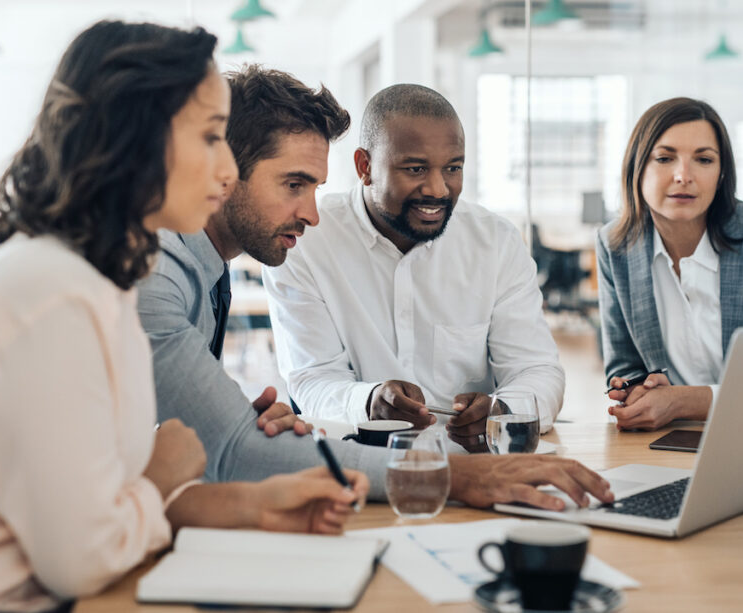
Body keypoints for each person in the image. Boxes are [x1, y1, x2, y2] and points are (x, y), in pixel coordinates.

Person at [0, 22, 366, 613]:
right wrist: (162, 471)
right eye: (211, 138)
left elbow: (95, 502)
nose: (226, 170)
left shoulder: (98, 284)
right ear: (138, 140)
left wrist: (257, 504)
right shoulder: (51, 291)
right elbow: (81, 555)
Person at [138, 67, 614, 511]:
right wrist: (454, 476)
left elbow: (207, 443)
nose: (311, 213)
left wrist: (249, 429)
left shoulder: (204, 267)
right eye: (294, 184)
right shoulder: (158, 275)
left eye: (453, 168)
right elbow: (236, 448)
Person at [262, 84, 565, 453]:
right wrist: (369, 401)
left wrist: (503, 412)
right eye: (415, 168)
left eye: (453, 167)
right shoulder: (308, 239)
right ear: (365, 167)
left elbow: (537, 371)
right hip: (361, 465)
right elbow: (312, 379)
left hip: (476, 466)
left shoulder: (496, 242)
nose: (438, 189)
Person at [597, 97, 743, 431]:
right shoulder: (615, 245)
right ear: (636, 168)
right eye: (664, 158)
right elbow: (625, 366)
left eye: (703, 159)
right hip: (669, 439)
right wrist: (636, 390)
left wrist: (682, 400)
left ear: (721, 174)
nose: (683, 176)